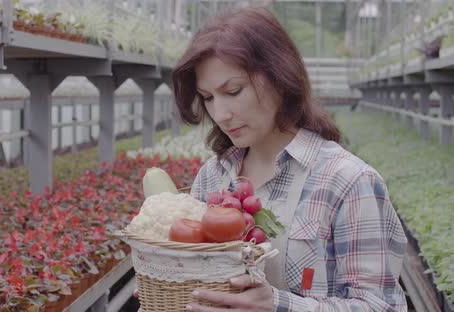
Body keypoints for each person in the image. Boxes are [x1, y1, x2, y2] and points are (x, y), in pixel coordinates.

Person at [169, 6, 408, 312]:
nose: (220, 114)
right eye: (208, 97)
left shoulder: (347, 181)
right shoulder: (214, 175)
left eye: (234, 90)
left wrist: (279, 305)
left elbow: (381, 306)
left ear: (280, 76)